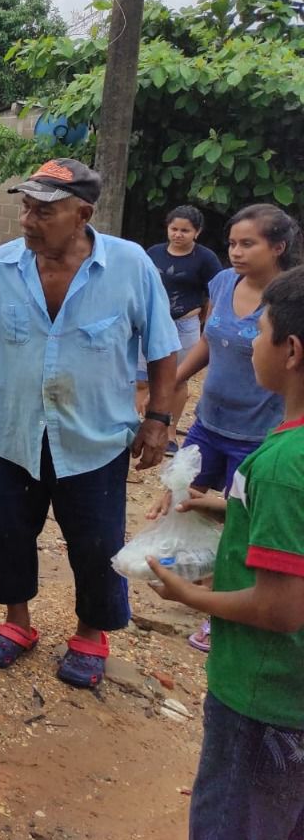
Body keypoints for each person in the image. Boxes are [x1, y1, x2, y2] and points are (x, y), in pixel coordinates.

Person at [0, 158, 179, 689]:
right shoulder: (0, 266)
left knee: (96, 541)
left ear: (82, 214)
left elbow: (162, 348)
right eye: (25, 207)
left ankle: (91, 635)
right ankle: (17, 623)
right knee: (7, 532)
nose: (27, 220)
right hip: (12, 432)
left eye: (42, 211)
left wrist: (160, 419)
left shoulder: (129, 265)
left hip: (93, 436)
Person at [146, 265, 304, 840]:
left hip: (263, 691)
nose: (247, 344)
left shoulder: (285, 465)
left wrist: (191, 595)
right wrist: (229, 509)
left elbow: (283, 606)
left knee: (232, 821)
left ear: (290, 351)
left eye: (258, 333)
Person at [157, 204, 302, 652]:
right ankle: (196, 573)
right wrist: (173, 381)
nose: (236, 253)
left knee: (245, 525)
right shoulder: (223, 282)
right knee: (186, 498)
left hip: (257, 432)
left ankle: (222, 609)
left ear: (278, 247)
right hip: (210, 420)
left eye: (248, 244)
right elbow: (207, 341)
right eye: (232, 243)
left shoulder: (287, 303)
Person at [132, 205, 222, 453]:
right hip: (151, 323)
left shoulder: (206, 258)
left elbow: (215, 292)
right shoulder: (153, 253)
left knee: (177, 380)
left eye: (185, 230)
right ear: (167, 228)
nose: (178, 234)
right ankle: (137, 428)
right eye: (174, 229)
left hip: (185, 325)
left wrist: (209, 326)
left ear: (197, 232)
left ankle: (170, 432)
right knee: (141, 382)